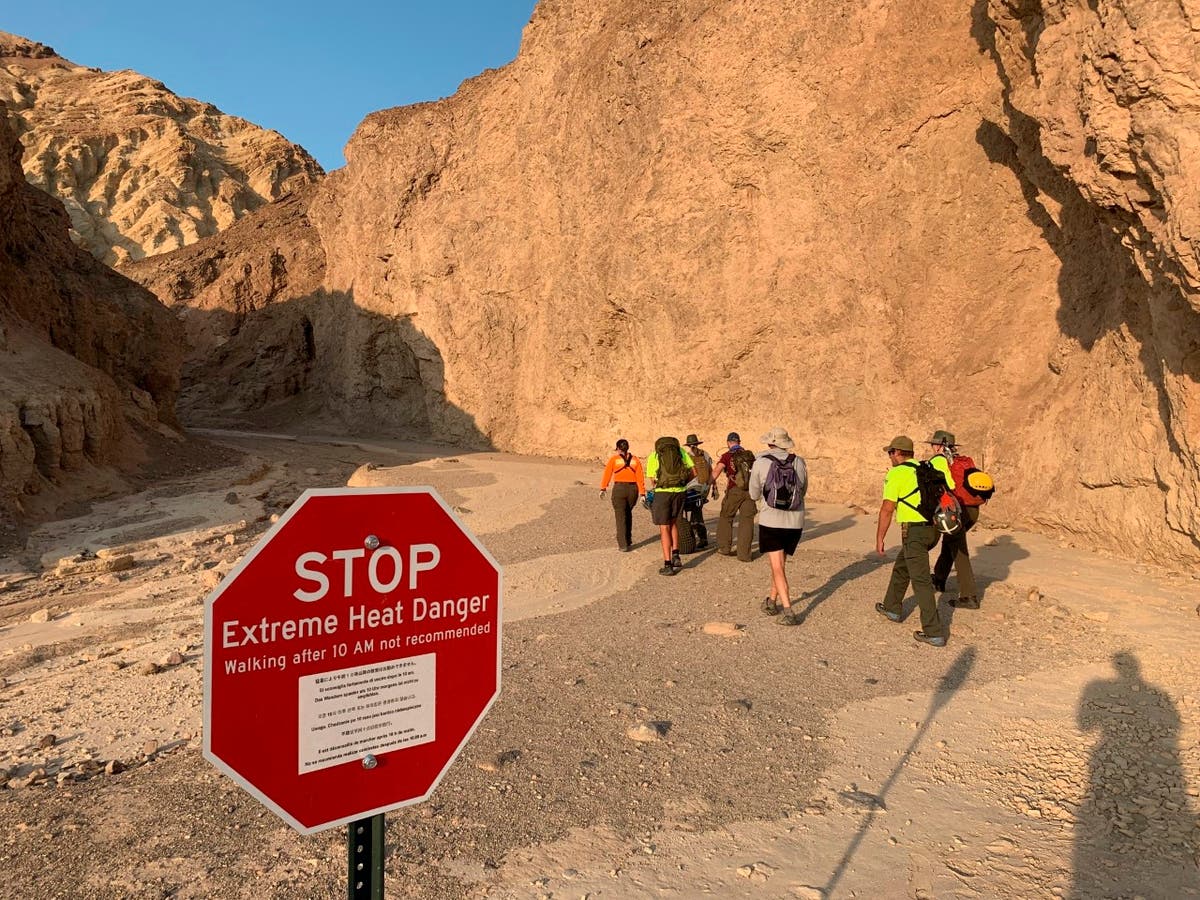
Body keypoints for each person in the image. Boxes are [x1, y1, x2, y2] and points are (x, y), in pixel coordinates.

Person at [874, 435, 954, 647]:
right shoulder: (923, 468)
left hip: (915, 532)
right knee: (903, 566)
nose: (889, 456)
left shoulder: (897, 473)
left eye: (891, 452)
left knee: (921, 581)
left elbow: (887, 509)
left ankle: (933, 631)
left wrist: (880, 538)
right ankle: (892, 607)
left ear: (898, 453)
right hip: (933, 530)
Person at [748, 427, 808, 626]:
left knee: (776, 566)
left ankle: (789, 610)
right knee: (780, 564)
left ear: (769, 443)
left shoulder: (760, 462)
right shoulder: (799, 462)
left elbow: (754, 494)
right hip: (795, 521)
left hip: (771, 520)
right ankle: (772, 602)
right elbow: (803, 490)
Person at [928, 430, 982, 609]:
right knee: (951, 541)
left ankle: (969, 596)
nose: (932, 447)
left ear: (939, 445)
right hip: (973, 510)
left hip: (957, 511)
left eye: (932, 444)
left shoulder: (940, 461)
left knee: (959, 549)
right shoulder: (964, 462)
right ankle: (939, 578)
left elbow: (945, 486)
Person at [645, 436, 695, 575]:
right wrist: (682, 484)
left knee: (664, 527)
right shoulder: (681, 452)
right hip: (680, 492)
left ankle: (667, 564)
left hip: (663, 493)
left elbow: (652, 480)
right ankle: (676, 555)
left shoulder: (654, 455)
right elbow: (694, 472)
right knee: (674, 524)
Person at [711, 432, 757, 561]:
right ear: (739, 442)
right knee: (747, 521)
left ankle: (724, 548)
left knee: (726, 517)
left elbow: (716, 472)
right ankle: (744, 555)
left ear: (728, 443)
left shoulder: (727, 456)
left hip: (734, 490)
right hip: (749, 492)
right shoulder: (749, 455)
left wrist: (706, 484)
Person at [599, 438, 646, 552]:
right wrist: (642, 493)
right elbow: (640, 477)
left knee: (620, 516)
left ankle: (623, 545)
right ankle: (628, 540)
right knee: (628, 513)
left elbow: (607, 474)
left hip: (619, 489)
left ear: (619, 449)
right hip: (633, 490)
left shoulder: (614, 460)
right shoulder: (635, 460)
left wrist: (603, 488)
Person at [682, 434, 715, 549]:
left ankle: (698, 538)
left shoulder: (686, 456)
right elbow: (711, 471)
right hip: (704, 488)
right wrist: (713, 486)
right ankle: (700, 537)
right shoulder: (705, 454)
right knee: (697, 510)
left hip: (692, 488)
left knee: (696, 513)